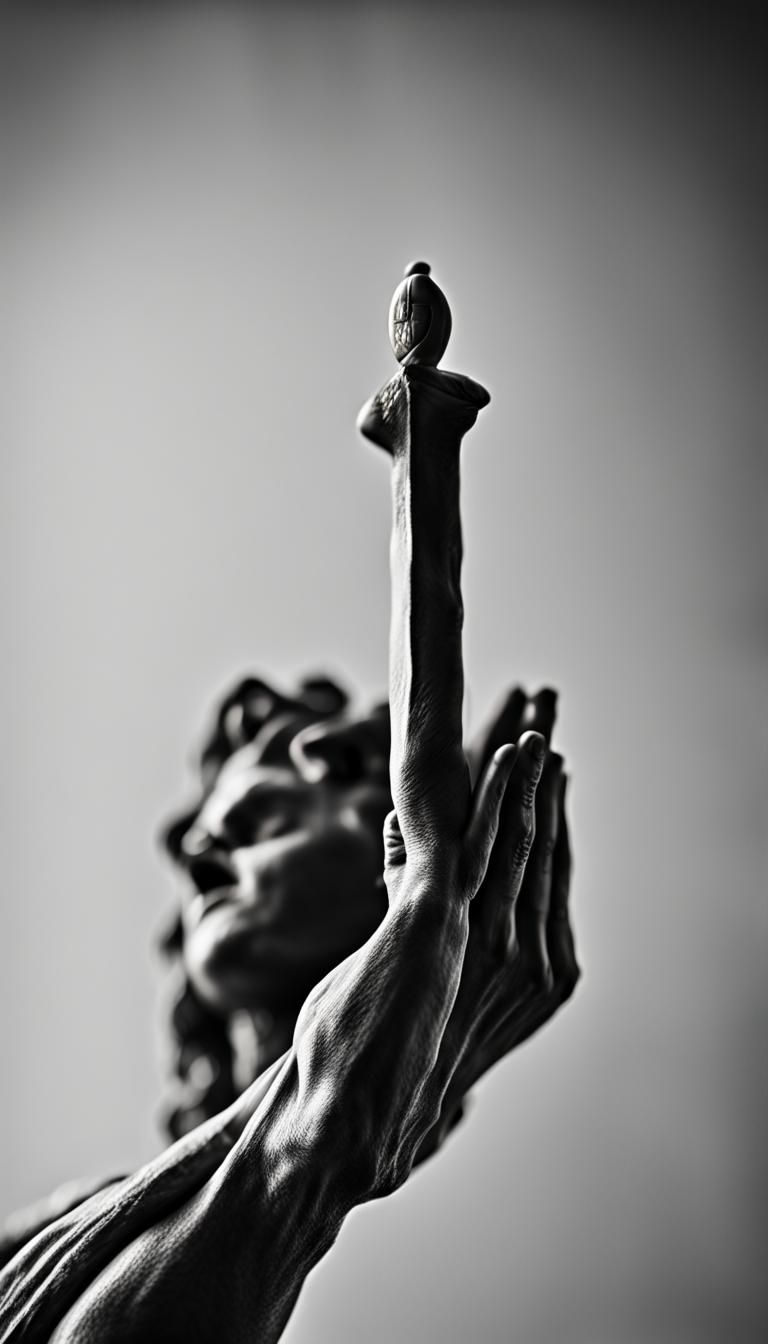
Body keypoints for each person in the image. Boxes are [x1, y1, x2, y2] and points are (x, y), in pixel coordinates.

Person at [0, 265, 580, 1342]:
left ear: (389, 839)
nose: (203, 850)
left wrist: (419, 950)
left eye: (260, 818)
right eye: (202, 853)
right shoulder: (42, 1241)